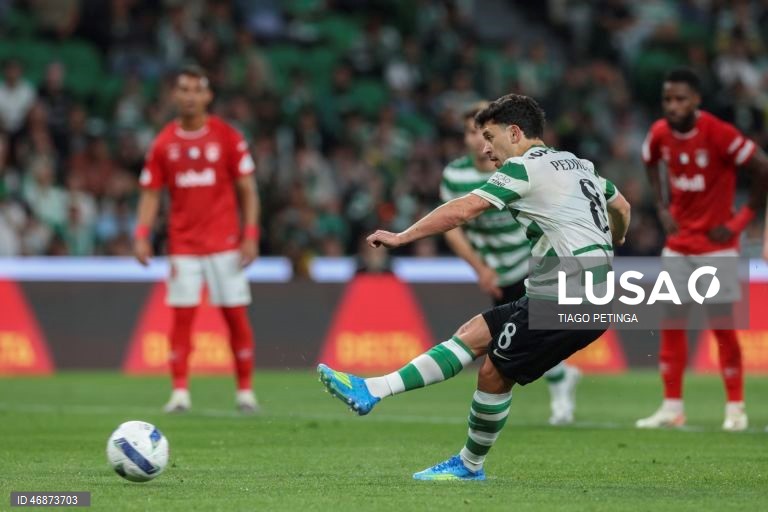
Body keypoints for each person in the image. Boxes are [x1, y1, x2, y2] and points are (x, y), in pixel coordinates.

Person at [318, 94, 631, 480]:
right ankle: (373, 389)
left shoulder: (525, 168)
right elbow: (622, 207)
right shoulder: (580, 165)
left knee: (493, 373)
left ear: (514, 133)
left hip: (567, 297)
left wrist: (402, 237)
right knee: (473, 334)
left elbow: (463, 210)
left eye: (490, 137)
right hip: (575, 293)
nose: (486, 149)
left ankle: (469, 465)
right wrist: (615, 238)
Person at [637, 68, 768, 432]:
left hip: (716, 247)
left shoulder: (719, 132)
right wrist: (662, 207)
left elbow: (762, 167)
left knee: (721, 326)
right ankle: (672, 407)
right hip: (678, 244)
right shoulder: (659, 133)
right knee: (671, 323)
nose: (672, 106)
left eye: (680, 99)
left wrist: (741, 221)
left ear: (696, 100)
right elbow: (649, 160)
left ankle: (736, 408)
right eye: (667, 99)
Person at [441, 101, 581, 425]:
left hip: (527, 260)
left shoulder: (513, 166)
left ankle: (559, 390)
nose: (478, 140)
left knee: (521, 333)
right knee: (518, 334)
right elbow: (453, 228)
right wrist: (480, 268)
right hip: (496, 268)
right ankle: (561, 377)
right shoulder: (455, 175)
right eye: (471, 133)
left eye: (484, 134)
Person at [134, 65, 261, 414]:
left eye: (196, 90)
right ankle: (179, 393)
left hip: (225, 243)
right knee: (182, 318)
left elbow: (248, 189)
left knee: (235, 316)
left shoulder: (227, 137)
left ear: (208, 96)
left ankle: (245, 392)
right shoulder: (164, 143)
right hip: (183, 245)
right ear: (175, 95)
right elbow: (150, 193)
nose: (189, 96)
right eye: (183, 89)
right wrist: (142, 234)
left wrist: (250, 234)